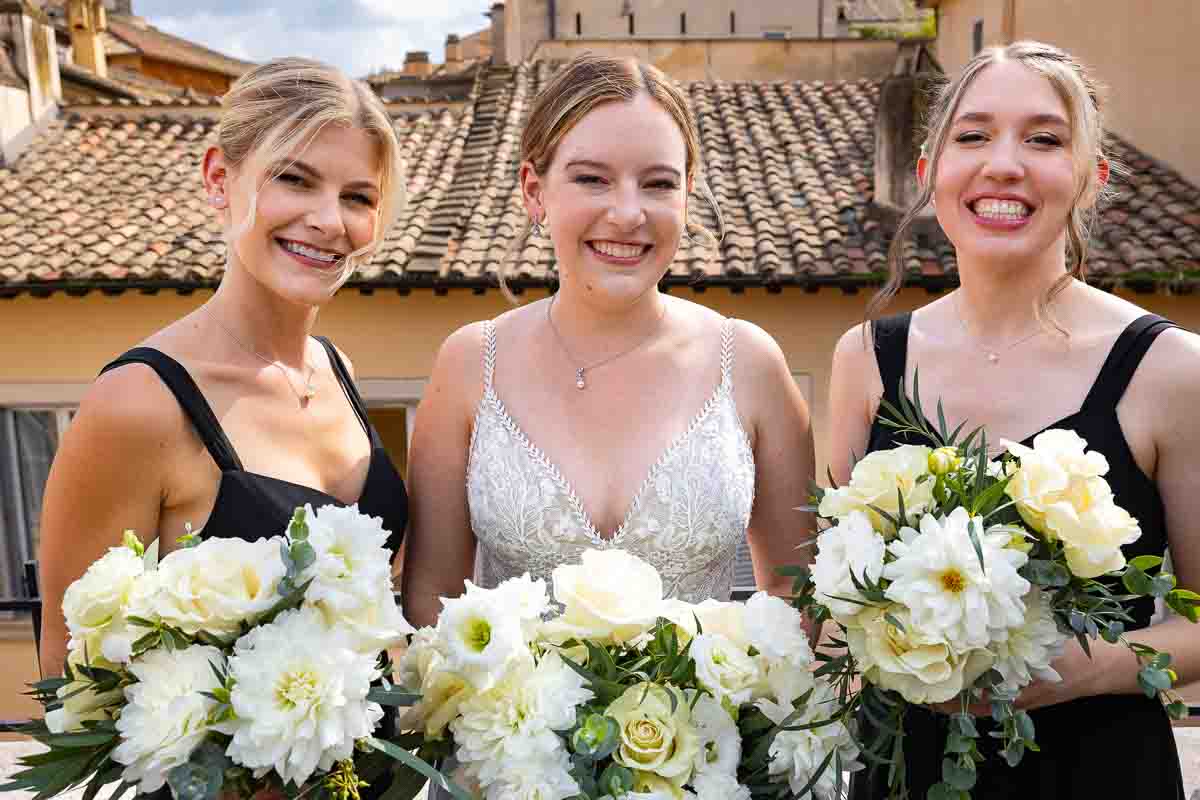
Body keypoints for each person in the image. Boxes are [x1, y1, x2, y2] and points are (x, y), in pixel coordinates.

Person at [828, 41, 1199, 798]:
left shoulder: (1171, 368)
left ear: (1090, 179)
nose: (1004, 163)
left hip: (1098, 773)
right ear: (929, 174)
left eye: (1043, 138)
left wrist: (1079, 670)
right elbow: (836, 600)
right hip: (904, 771)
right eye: (973, 135)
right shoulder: (866, 357)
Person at [402, 54, 815, 629]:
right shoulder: (472, 364)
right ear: (534, 190)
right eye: (592, 178)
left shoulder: (748, 364)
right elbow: (431, 598)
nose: (627, 213)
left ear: (686, 195)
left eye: (658, 184)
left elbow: (797, 594)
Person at [37, 57, 408, 686]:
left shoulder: (336, 369)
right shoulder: (140, 403)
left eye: (357, 197)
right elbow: (70, 675)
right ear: (219, 178)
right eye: (294, 180)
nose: (328, 220)